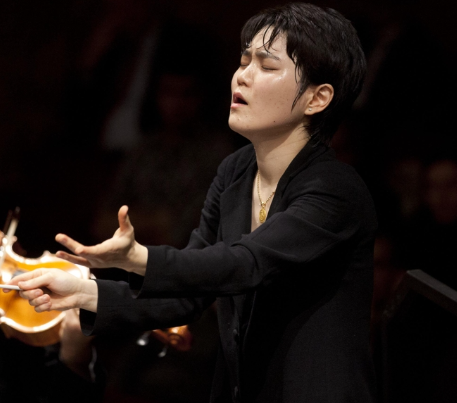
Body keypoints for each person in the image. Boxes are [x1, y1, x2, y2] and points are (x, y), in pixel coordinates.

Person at [6, 3, 378, 402]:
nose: (242, 76)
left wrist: (139, 259)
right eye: (244, 61)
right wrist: (84, 293)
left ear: (317, 98)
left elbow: (245, 263)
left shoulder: (334, 188)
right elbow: (187, 293)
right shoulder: (235, 171)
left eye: (267, 66)